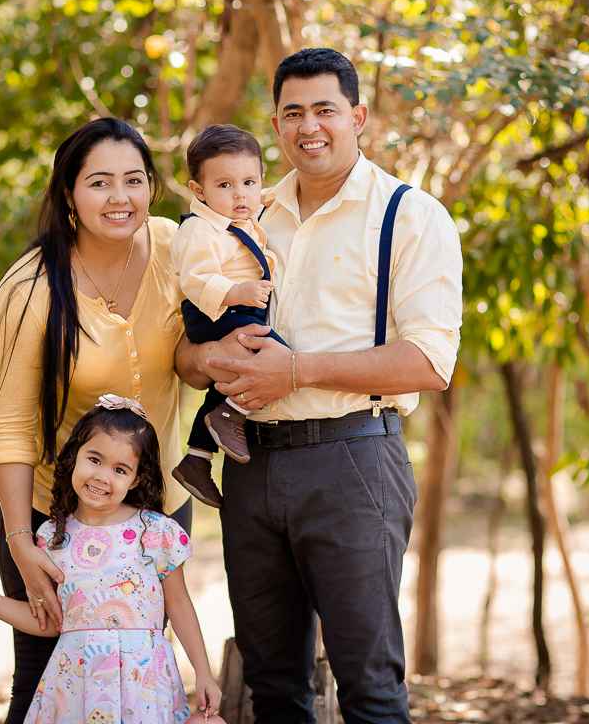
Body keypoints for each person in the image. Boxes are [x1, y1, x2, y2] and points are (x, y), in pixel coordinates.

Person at [177, 48, 464, 723]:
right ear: (276, 122)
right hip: (250, 466)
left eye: (325, 110)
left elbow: (429, 362)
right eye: (293, 112)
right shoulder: (244, 212)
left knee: (369, 686)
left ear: (357, 117)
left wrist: (298, 369)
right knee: (272, 688)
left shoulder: (409, 215)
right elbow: (185, 359)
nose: (309, 126)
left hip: (353, 463)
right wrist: (212, 355)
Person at [0, 118, 196, 723]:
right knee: (41, 678)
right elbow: (11, 428)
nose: (119, 197)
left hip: (155, 505)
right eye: (99, 182)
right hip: (54, 517)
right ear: (69, 194)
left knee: (138, 678)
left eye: (134, 180)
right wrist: (21, 544)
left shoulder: (177, 249)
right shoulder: (31, 289)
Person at [0, 396, 221, 724]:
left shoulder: (156, 532)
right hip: (77, 688)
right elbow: (52, 621)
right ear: (75, 456)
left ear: (135, 479)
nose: (103, 476)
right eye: (94, 459)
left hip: (142, 688)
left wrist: (203, 672)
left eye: (120, 469)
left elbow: (179, 605)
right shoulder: (52, 537)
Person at [169, 124, 288, 509]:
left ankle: (196, 459)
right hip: (215, 310)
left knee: (227, 381)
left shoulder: (242, 212)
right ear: (198, 190)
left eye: (249, 182)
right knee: (279, 358)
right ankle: (230, 414)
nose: (240, 194)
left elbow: (261, 195)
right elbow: (196, 279)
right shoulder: (200, 230)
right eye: (224, 185)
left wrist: (269, 193)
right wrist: (237, 293)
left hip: (237, 307)